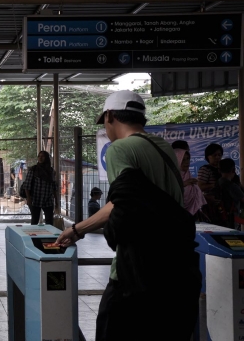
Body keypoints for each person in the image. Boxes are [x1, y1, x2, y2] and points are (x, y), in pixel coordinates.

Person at [54, 90, 201, 341]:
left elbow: (121, 204)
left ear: (110, 116)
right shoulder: (164, 147)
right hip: (175, 264)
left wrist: (77, 230)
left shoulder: (120, 149)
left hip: (136, 266)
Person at [22, 150, 58, 225]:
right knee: (35, 220)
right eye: (39, 156)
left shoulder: (51, 171)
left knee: (49, 221)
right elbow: (27, 185)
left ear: (47, 158)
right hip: (35, 199)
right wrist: (28, 198)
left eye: (43, 156)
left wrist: (56, 201)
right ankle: (34, 236)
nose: (40, 158)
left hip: (48, 199)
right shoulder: (33, 170)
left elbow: (54, 186)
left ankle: (49, 236)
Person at [173, 148, 206, 220]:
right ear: (177, 160)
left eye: (188, 159)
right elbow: (170, 193)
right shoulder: (172, 177)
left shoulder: (189, 177)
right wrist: (183, 184)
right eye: (183, 159)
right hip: (175, 215)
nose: (187, 162)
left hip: (192, 216)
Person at [197, 143, 224, 224]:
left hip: (224, 206)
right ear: (208, 157)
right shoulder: (205, 169)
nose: (217, 157)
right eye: (214, 155)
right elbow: (200, 187)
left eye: (219, 155)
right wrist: (216, 185)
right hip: (211, 206)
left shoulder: (223, 169)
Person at [218, 158, 244, 229]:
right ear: (234, 170)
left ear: (219, 170)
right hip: (231, 219)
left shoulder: (217, 183)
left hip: (219, 217)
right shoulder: (232, 186)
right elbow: (242, 199)